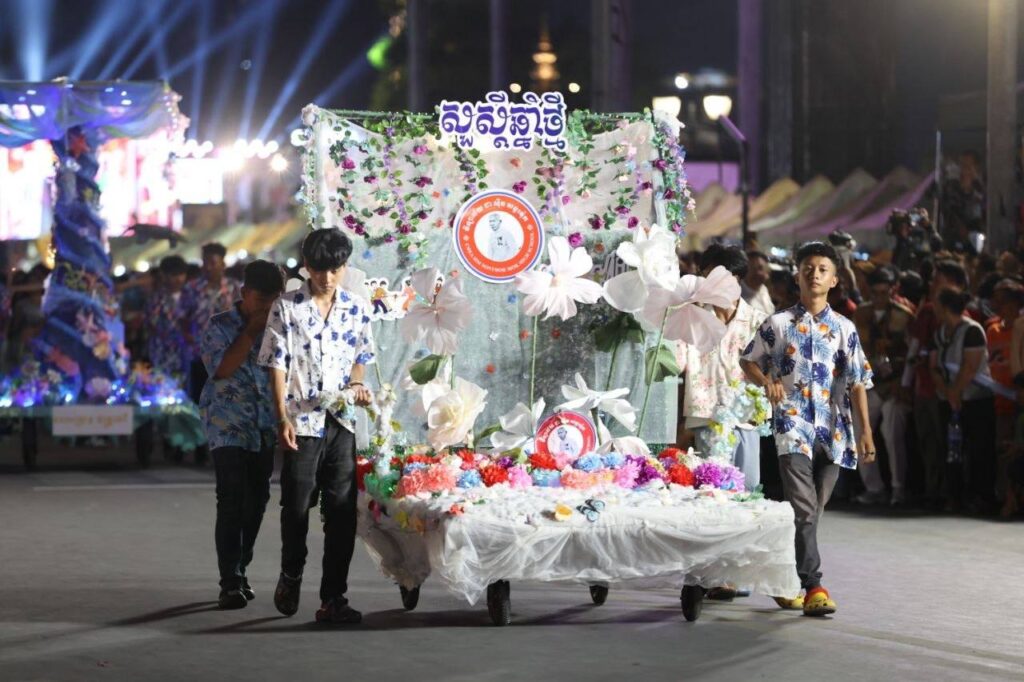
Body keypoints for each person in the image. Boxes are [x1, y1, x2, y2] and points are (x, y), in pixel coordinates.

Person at [741, 241, 875, 618]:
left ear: (834, 280)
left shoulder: (845, 329)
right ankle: (814, 585)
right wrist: (767, 380)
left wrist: (866, 431)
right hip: (792, 426)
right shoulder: (777, 324)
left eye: (822, 270)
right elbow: (748, 360)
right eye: (808, 269)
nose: (814, 274)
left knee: (812, 510)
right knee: (804, 509)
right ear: (797, 276)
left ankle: (783, 578)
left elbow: (858, 382)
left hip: (834, 431)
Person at [258, 228, 375, 626]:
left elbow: (360, 357)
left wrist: (357, 385)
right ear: (306, 266)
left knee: (341, 512)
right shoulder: (286, 307)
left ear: (345, 267)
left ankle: (333, 598)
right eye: (320, 269)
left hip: (341, 421)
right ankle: (291, 574)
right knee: (296, 506)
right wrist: (281, 417)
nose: (327, 278)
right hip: (301, 422)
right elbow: (276, 365)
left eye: (335, 269)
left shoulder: (357, 308)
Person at [200, 260, 285, 609]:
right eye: (261, 300)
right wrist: (250, 331)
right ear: (244, 293)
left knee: (257, 500)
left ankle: (241, 566)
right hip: (227, 425)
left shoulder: (282, 326)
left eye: (273, 300)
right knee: (231, 498)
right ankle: (230, 580)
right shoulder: (219, 326)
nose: (267, 308)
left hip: (264, 425)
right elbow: (221, 368)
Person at [677, 244, 766, 489]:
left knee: (748, 486)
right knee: (713, 487)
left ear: (737, 278)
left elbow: (770, 368)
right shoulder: (691, 318)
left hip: (746, 415)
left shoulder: (758, 321)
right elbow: (678, 363)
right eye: (707, 276)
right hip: (706, 414)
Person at [902, 259, 971, 508]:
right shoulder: (928, 311)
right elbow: (915, 347)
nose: (932, 284)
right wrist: (907, 383)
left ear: (954, 283)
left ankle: (950, 492)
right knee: (927, 441)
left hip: (946, 391)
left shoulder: (964, 317)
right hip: (924, 385)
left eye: (938, 280)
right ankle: (933, 490)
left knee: (947, 442)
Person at [930, 288, 996, 514]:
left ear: (945, 307)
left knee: (979, 449)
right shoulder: (940, 333)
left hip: (975, 400)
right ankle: (954, 495)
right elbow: (934, 365)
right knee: (950, 449)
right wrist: (946, 391)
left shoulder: (972, 330)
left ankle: (981, 496)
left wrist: (955, 392)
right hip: (948, 400)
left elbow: (970, 366)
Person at [853, 267, 913, 506]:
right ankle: (874, 487)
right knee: (859, 428)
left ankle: (899, 487)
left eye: (884, 293)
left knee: (892, 428)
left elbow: (911, 354)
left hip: (895, 385)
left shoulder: (904, 315)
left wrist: (902, 383)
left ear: (891, 291)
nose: (879, 297)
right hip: (871, 384)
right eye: (875, 292)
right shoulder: (861, 313)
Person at [182, 242, 240, 404]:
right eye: (205, 263)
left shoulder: (234, 288)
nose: (208, 267)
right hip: (199, 355)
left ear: (223, 264)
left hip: (227, 356)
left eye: (212, 263)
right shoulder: (192, 288)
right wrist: (188, 338)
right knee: (199, 400)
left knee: (226, 402)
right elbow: (182, 318)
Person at [986, 279, 1024, 509]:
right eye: (996, 302)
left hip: (1019, 400)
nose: (998, 306)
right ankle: (1004, 496)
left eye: (1003, 302)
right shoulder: (992, 330)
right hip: (1000, 401)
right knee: (1002, 450)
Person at [145, 255, 190, 380]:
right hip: (163, 355)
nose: (178, 279)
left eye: (181, 274)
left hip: (187, 355)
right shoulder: (156, 299)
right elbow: (152, 325)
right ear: (164, 276)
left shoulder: (191, 294)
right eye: (174, 275)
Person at [741, 250, 775, 317]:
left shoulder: (763, 289)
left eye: (760, 268)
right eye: (752, 268)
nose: (757, 273)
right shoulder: (738, 296)